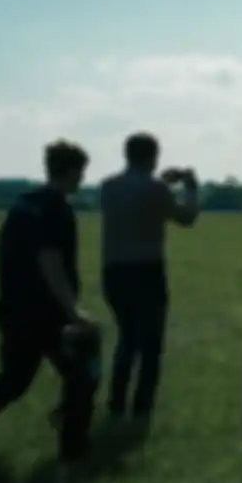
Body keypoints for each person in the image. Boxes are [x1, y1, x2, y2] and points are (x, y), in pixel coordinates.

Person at [0, 140, 101, 473]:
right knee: (83, 373)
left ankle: (68, 425)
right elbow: (50, 261)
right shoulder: (56, 208)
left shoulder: (23, 205)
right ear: (72, 171)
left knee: (13, 383)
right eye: (81, 172)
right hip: (47, 315)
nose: (82, 179)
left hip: (14, 310)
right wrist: (73, 311)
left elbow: (1, 252)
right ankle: (74, 449)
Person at [98, 133, 199, 423]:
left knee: (127, 339)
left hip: (113, 271)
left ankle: (116, 402)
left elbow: (137, 200)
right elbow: (186, 218)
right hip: (146, 271)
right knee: (151, 344)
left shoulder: (108, 187)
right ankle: (141, 407)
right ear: (153, 156)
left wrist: (161, 183)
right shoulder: (155, 189)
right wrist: (190, 189)